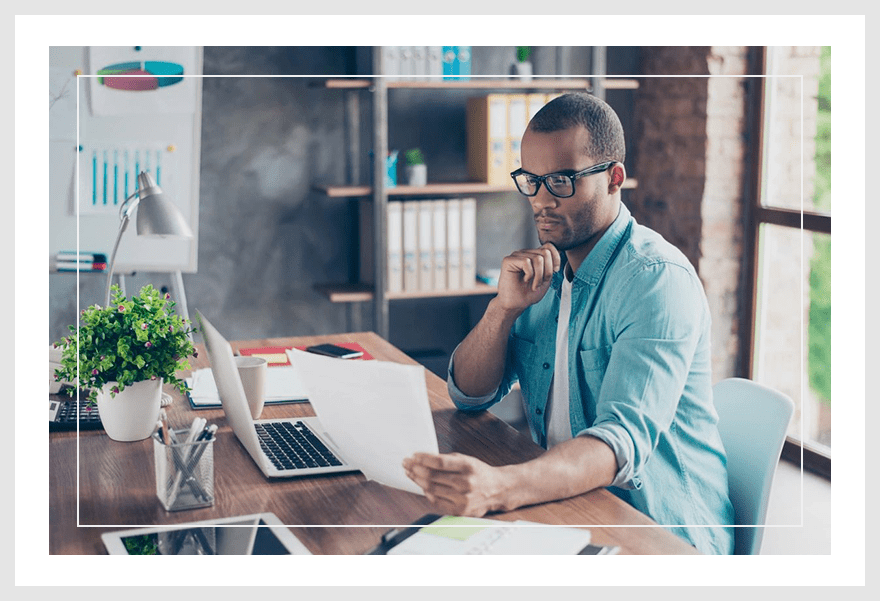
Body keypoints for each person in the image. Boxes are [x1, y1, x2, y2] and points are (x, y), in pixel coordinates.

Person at [402, 92, 735, 555]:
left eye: (560, 180)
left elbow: (617, 444)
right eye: (531, 180)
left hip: (661, 533)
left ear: (614, 178)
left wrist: (497, 487)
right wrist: (503, 309)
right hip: (570, 506)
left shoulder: (656, 281)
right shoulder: (546, 273)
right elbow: (469, 394)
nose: (540, 200)